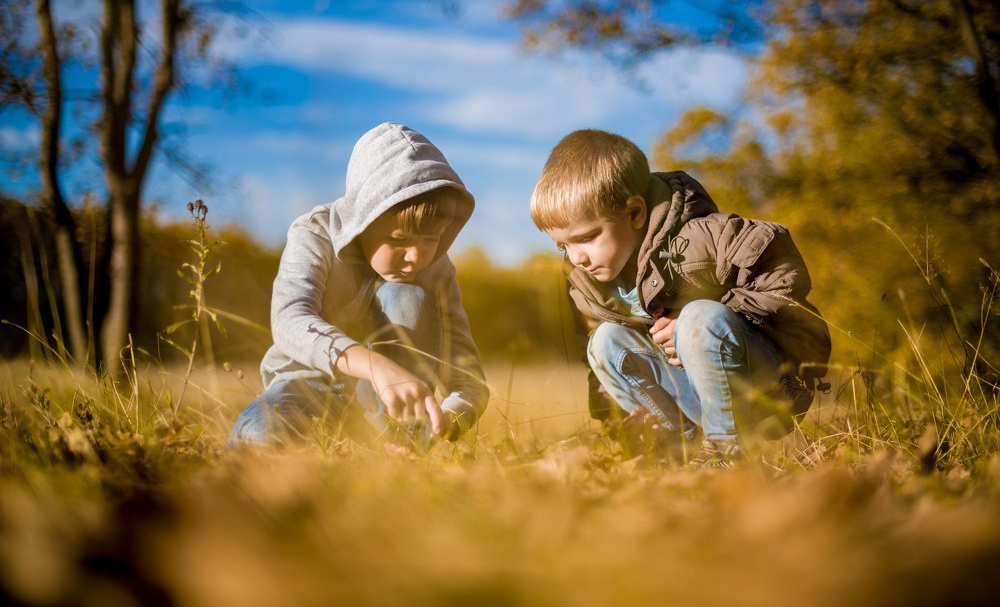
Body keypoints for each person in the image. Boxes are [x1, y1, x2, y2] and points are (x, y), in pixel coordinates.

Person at [529, 129, 831, 467]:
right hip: (694, 392)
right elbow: (602, 367)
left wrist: (697, 324)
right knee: (604, 340)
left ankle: (725, 451)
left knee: (699, 317)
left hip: (767, 386)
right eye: (563, 245)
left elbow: (782, 276)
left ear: (634, 213)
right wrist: (614, 421)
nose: (576, 257)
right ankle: (676, 449)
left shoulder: (704, 238)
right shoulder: (589, 285)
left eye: (586, 237)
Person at [229, 122, 489, 449]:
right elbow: (289, 319)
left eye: (432, 238)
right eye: (399, 239)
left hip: (388, 415)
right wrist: (376, 368)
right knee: (255, 438)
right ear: (364, 219)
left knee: (407, 294)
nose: (416, 255)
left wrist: (450, 418)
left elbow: (468, 378)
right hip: (305, 385)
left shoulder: (436, 268)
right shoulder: (314, 233)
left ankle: (396, 450)